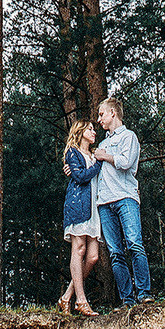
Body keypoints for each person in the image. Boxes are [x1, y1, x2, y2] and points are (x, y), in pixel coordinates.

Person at [89, 96, 151, 306]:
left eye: (101, 114)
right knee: (115, 253)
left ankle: (144, 295)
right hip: (104, 203)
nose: (99, 120)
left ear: (113, 113)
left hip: (126, 198)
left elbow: (126, 163)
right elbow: (93, 173)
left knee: (134, 245)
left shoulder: (129, 137)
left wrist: (105, 156)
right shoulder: (103, 144)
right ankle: (127, 300)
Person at [57, 120, 103, 316]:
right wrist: (99, 163)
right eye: (90, 129)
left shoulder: (94, 155)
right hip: (78, 206)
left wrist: (98, 160)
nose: (94, 132)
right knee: (79, 249)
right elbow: (81, 177)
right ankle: (81, 301)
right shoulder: (73, 153)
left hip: (94, 208)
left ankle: (67, 297)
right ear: (80, 131)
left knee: (93, 257)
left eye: (94, 129)